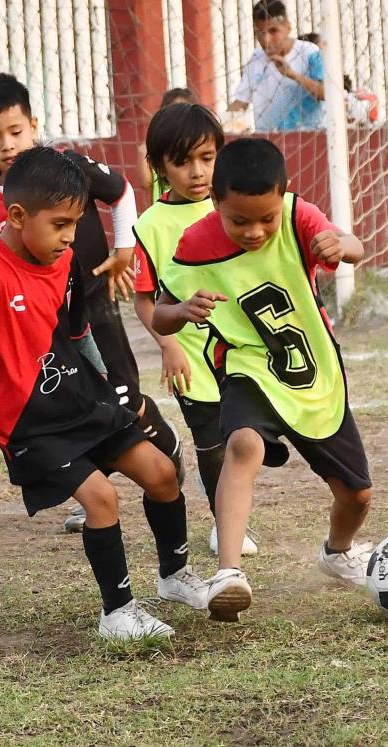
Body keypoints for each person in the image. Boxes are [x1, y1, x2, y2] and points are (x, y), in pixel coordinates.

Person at [0, 147, 207, 640]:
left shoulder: (67, 259)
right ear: (17, 216)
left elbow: (78, 333)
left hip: (83, 400)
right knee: (100, 498)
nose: (71, 236)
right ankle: (117, 613)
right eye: (59, 224)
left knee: (162, 473)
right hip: (31, 422)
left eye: (76, 222)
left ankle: (175, 576)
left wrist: (106, 387)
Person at [152, 138, 373, 623]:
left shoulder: (299, 217)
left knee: (357, 495)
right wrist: (180, 312)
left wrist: (343, 245)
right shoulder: (194, 245)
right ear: (215, 204)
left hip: (313, 372)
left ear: (284, 198)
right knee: (242, 446)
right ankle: (228, 573)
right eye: (239, 221)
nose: (255, 231)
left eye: (265, 219)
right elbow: (160, 314)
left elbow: (354, 248)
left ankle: (338, 553)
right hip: (247, 365)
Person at [0, 73, 184, 533]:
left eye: (17, 131)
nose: (8, 145)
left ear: (35, 125)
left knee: (122, 396)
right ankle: (91, 488)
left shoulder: (68, 165)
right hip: (48, 328)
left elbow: (121, 192)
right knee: (74, 403)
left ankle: (168, 451)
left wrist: (124, 250)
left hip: (94, 306)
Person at [132, 103, 258, 558]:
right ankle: (226, 525)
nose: (197, 171)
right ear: (160, 167)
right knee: (213, 446)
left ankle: (233, 511)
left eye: (207, 158)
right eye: (182, 162)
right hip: (191, 358)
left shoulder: (234, 208)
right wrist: (168, 344)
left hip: (242, 350)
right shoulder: (150, 227)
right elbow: (144, 299)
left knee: (248, 438)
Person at [227, 1, 325, 132]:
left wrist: (292, 75)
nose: (266, 40)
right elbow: (240, 102)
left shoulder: (310, 52)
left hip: (309, 137)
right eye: (261, 33)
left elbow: (326, 93)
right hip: (268, 141)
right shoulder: (256, 59)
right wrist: (220, 123)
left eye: (273, 31)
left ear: (288, 27)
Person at [138, 87, 199, 202]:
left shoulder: (200, 145)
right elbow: (145, 183)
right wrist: (143, 154)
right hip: (165, 208)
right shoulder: (151, 148)